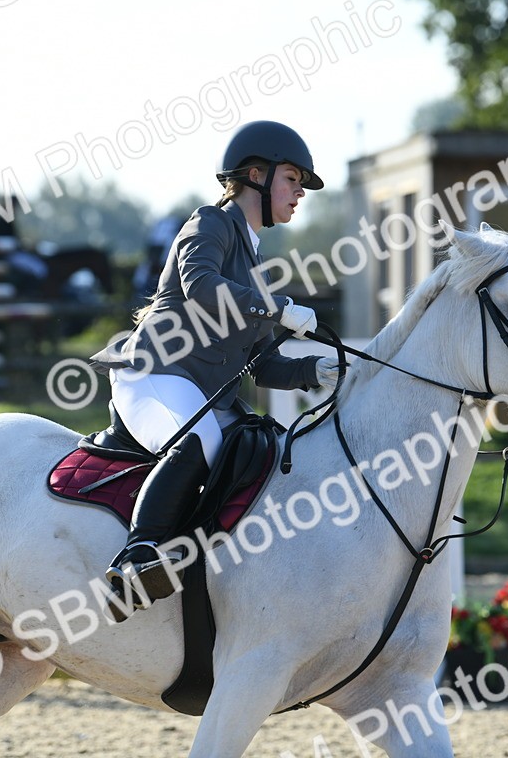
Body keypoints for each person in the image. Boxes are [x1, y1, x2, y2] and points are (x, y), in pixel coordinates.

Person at [91, 121, 342, 613]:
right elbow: (201, 285)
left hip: (204, 393)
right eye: (292, 179)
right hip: (155, 374)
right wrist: (278, 309)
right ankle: (136, 557)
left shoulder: (255, 264)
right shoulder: (210, 223)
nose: (300, 193)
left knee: (266, 450)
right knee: (200, 439)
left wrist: (318, 370)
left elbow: (263, 366)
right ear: (256, 175)